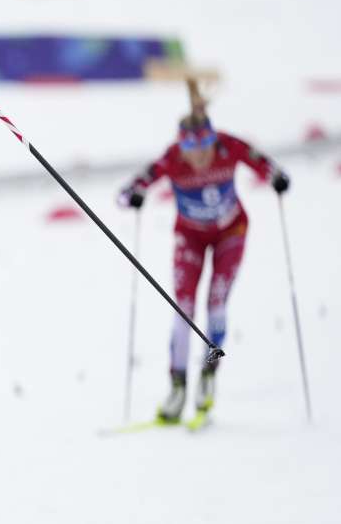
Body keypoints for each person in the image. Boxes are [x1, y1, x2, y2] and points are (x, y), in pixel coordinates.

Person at [119, 92, 289, 423]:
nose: (199, 158)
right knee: (182, 309)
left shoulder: (228, 146)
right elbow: (129, 189)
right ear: (182, 147)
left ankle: (208, 377)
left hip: (231, 233)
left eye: (204, 149)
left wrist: (276, 178)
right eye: (190, 151)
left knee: (216, 305)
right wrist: (134, 196)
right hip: (190, 238)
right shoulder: (173, 158)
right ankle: (178, 386)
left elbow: (265, 164)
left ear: (212, 140)